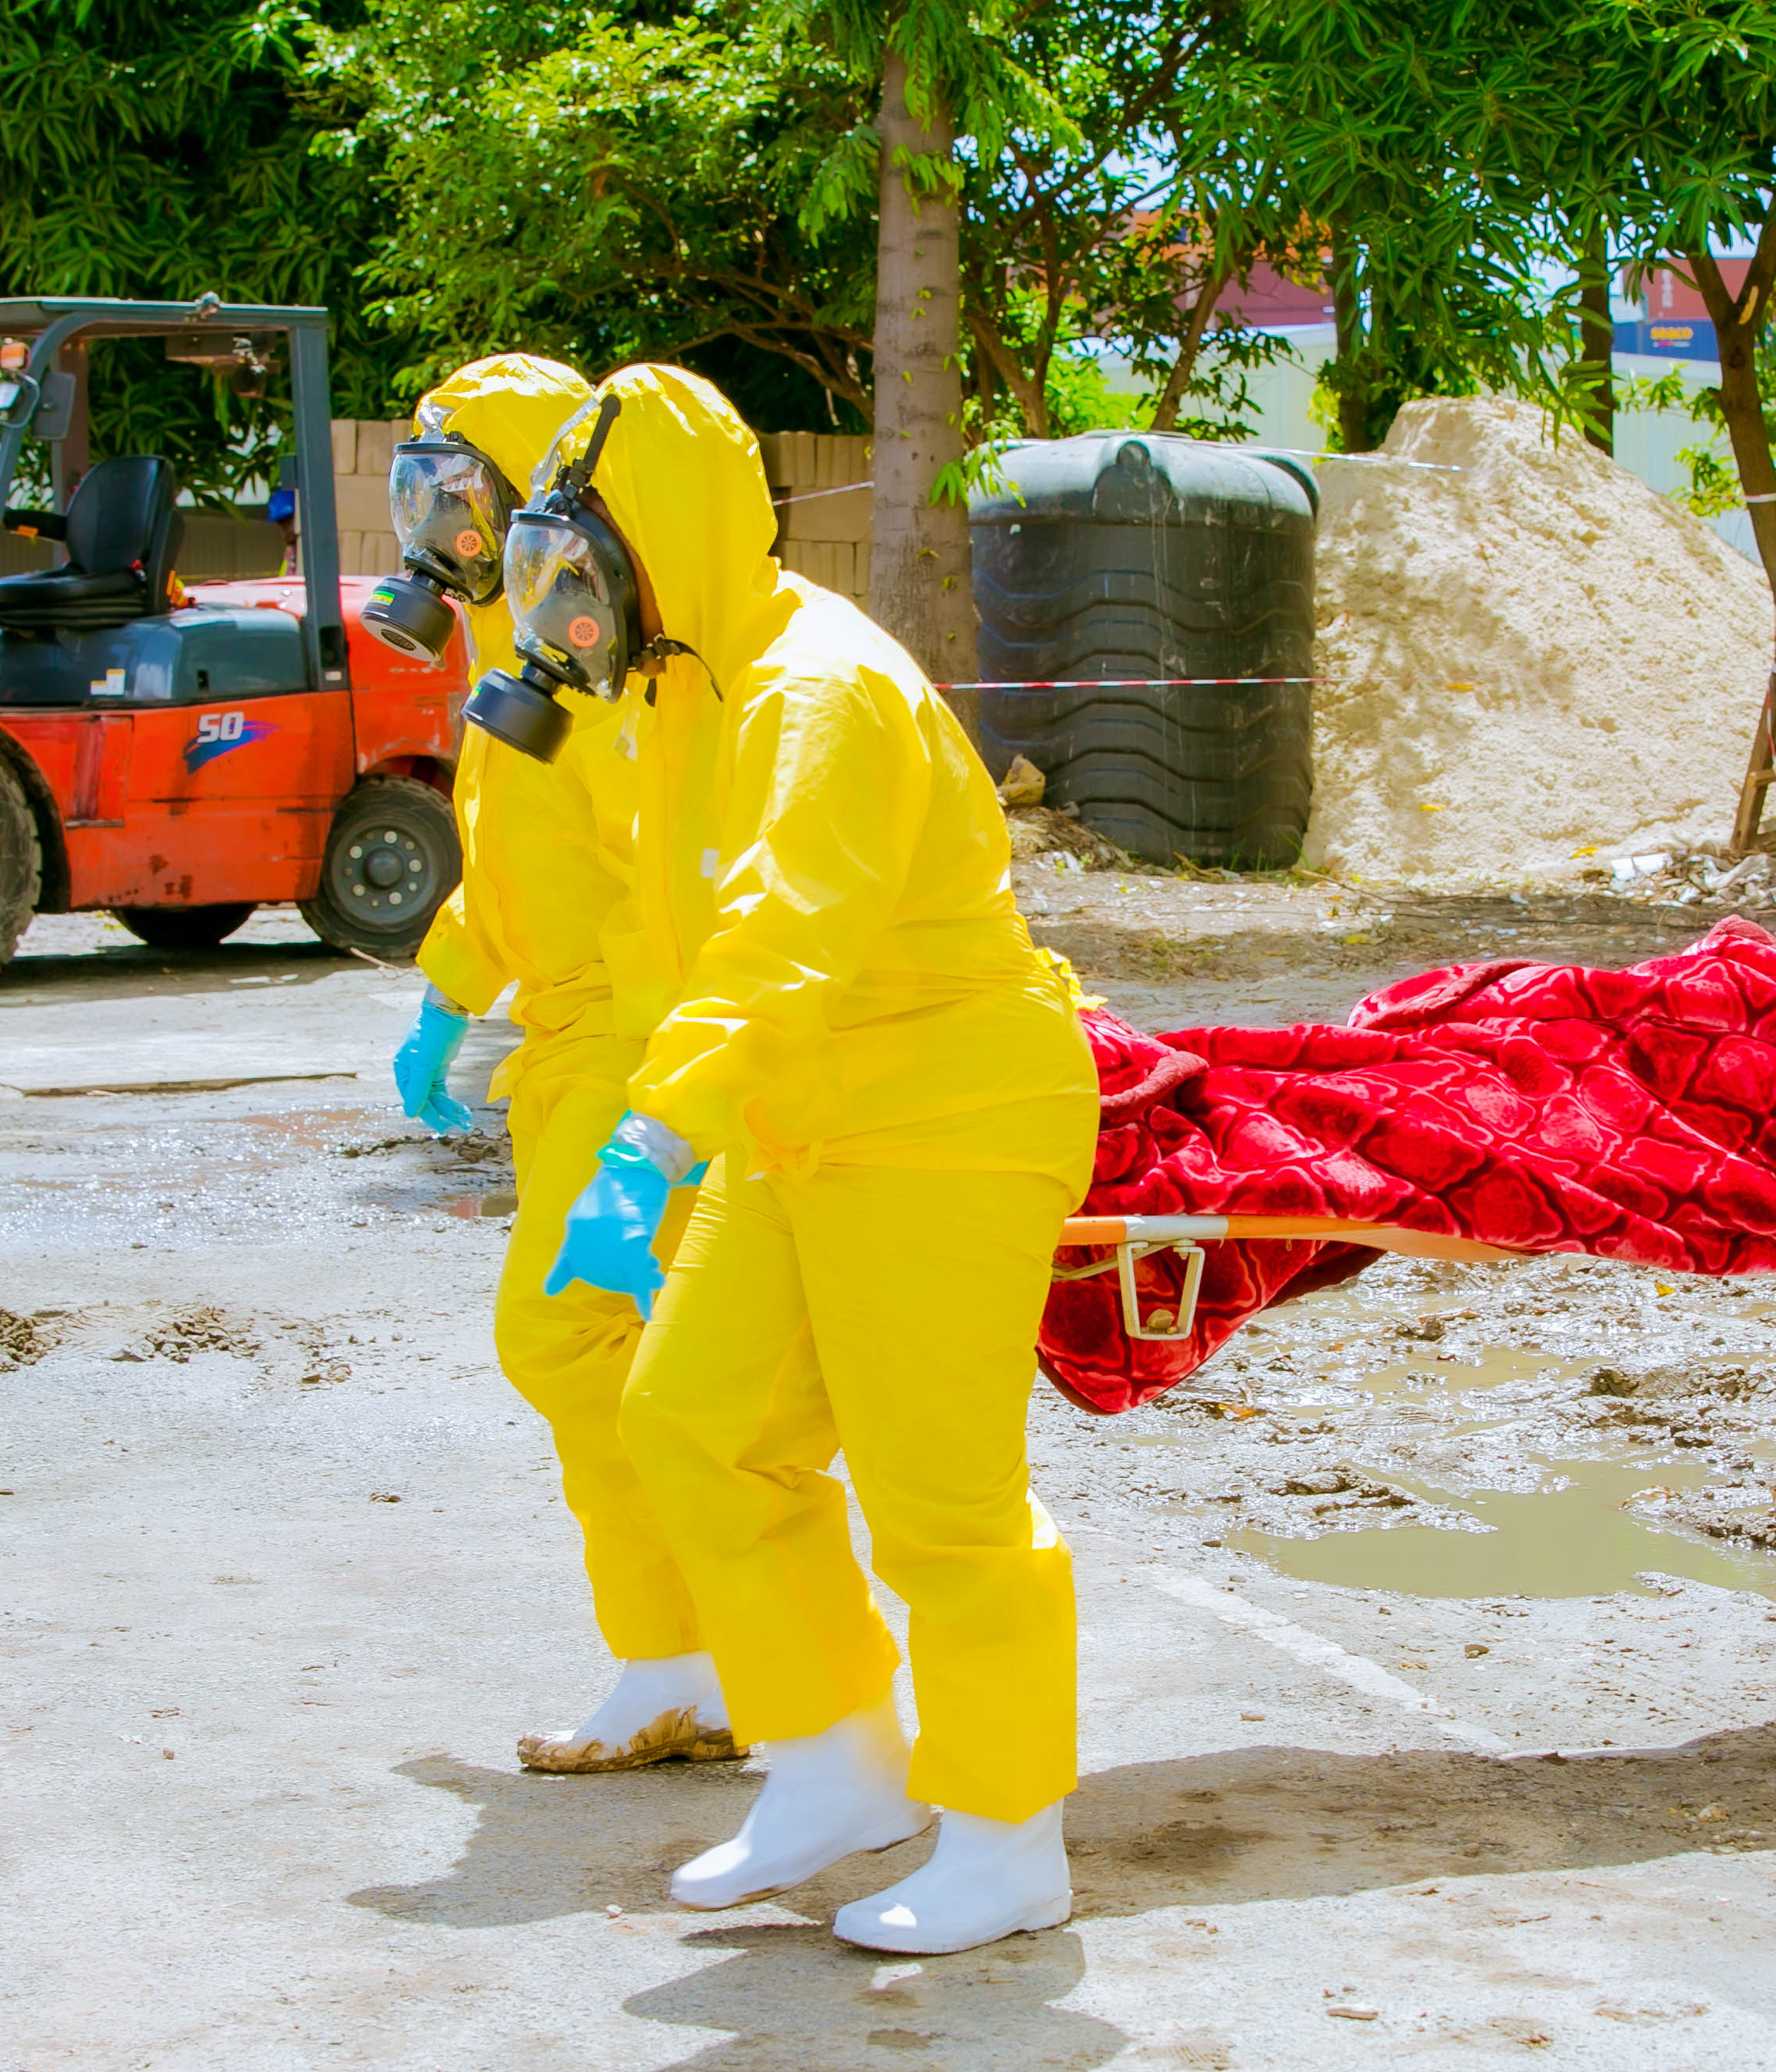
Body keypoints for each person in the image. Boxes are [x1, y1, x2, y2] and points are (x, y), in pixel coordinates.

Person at [510, 365, 1098, 1955]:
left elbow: (785, 942)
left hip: (946, 1113)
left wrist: (651, 1136)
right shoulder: (683, 693)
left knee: (942, 1506)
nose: (561, 612)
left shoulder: (815, 690)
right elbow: (679, 942)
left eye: (581, 573)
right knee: (690, 1421)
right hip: (804, 1109)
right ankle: (838, 1763)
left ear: (661, 543)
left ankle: (1004, 1835)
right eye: (544, 576)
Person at [388, 352, 738, 1772]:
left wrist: (662, 1113)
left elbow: (666, 883)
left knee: (566, 1332)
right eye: (418, 493)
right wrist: (448, 995)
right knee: (621, 1350)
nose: (434, 529)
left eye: (456, 490)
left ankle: (687, 1662)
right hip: (566, 1035)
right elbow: (515, 869)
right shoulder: (518, 654)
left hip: (627, 1033)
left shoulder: (598, 666)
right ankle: (714, 1658)